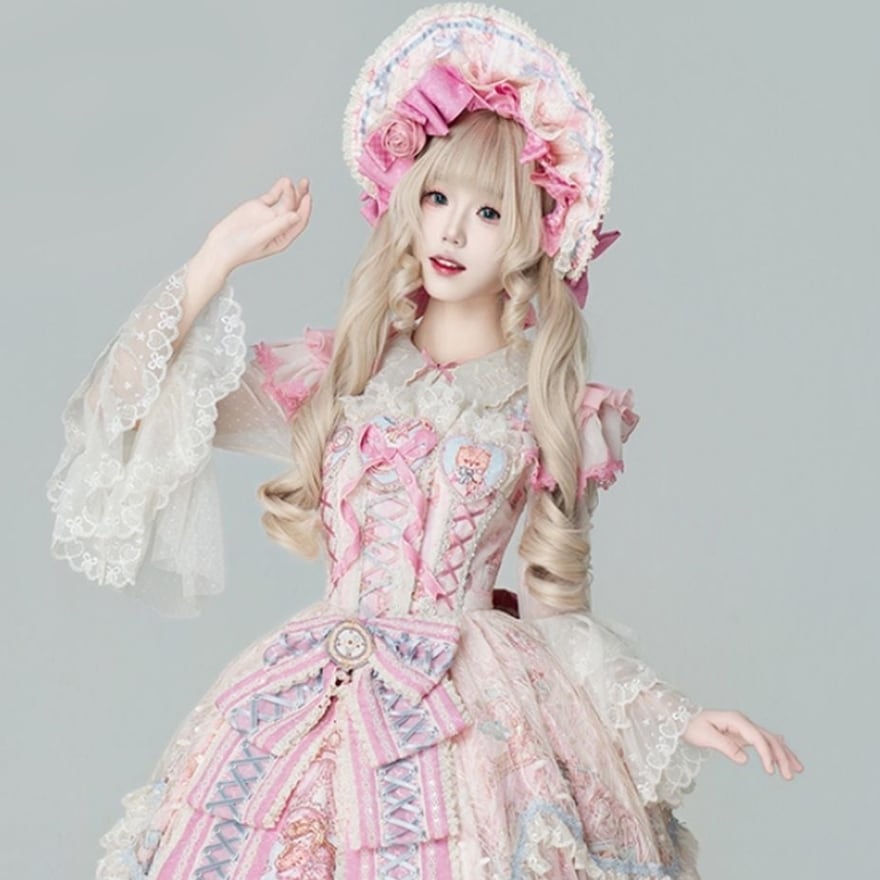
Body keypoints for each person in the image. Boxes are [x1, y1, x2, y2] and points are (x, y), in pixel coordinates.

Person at [47, 5, 803, 879]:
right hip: (316, 702)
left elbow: (559, 621)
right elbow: (125, 402)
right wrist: (215, 258)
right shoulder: (341, 377)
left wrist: (675, 717)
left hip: (478, 724)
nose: (449, 230)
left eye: (488, 211)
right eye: (437, 197)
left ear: (534, 233)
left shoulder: (548, 410)